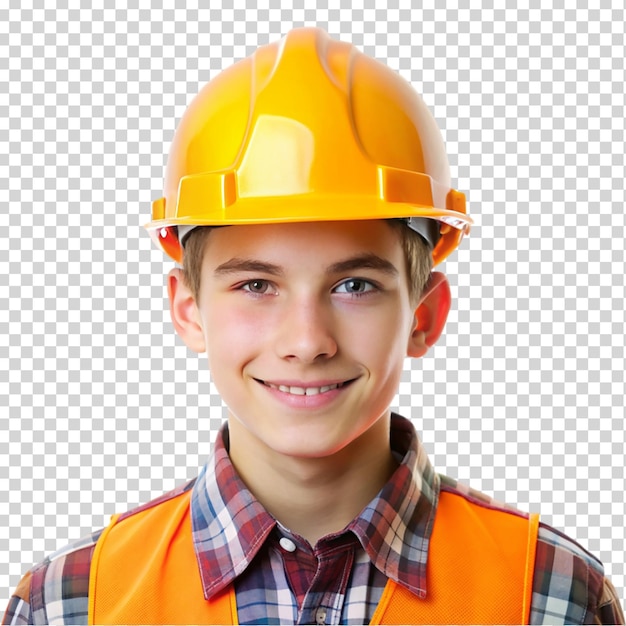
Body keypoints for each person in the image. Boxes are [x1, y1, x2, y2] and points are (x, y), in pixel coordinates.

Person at [3, 27, 623, 626]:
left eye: (354, 286)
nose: (306, 341)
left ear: (424, 315)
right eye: (256, 285)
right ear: (188, 310)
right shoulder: (71, 605)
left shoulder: (548, 595)